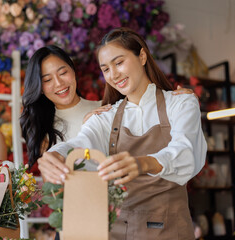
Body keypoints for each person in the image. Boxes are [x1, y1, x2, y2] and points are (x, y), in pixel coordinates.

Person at [37, 28, 207, 240]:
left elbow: (186, 151)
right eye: (106, 69)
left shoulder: (180, 103)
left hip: (170, 229)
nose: (114, 74)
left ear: (142, 56)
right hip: (118, 231)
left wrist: (142, 164)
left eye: (119, 63)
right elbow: (82, 142)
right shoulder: (106, 116)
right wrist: (56, 154)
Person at [20, 45, 194, 169]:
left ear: (73, 71)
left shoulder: (107, 109)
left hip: (121, 206)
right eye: (47, 80)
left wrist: (174, 101)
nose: (59, 83)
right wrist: (86, 127)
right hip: (78, 210)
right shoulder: (43, 129)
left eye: (63, 72)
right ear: (40, 88)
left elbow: (147, 135)